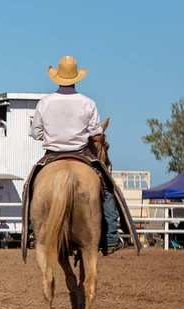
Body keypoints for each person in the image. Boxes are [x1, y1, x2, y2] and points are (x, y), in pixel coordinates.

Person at [29, 55, 123, 253]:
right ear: (76, 78)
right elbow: (97, 135)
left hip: (52, 155)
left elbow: (35, 133)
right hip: (81, 154)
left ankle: (31, 231)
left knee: (31, 187)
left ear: (56, 77)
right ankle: (111, 237)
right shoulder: (87, 102)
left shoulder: (45, 102)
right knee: (107, 188)